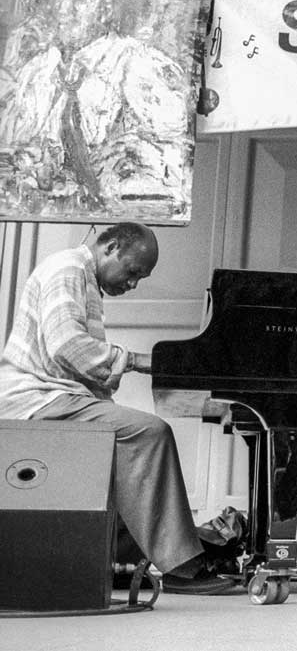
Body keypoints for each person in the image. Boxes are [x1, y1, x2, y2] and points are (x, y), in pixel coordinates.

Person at [0, 222, 226, 592]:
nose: (133, 283)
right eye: (133, 271)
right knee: (150, 432)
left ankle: (118, 562)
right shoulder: (67, 268)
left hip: (51, 398)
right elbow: (66, 344)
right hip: (34, 401)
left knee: (121, 442)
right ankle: (180, 566)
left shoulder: (80, 275)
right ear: (111, 247)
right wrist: (136, 360)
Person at [0, 0, 194, 218]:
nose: (64, 8)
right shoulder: (37, 71)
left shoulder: (137, 63)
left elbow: (174, 162)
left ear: (107, 7)